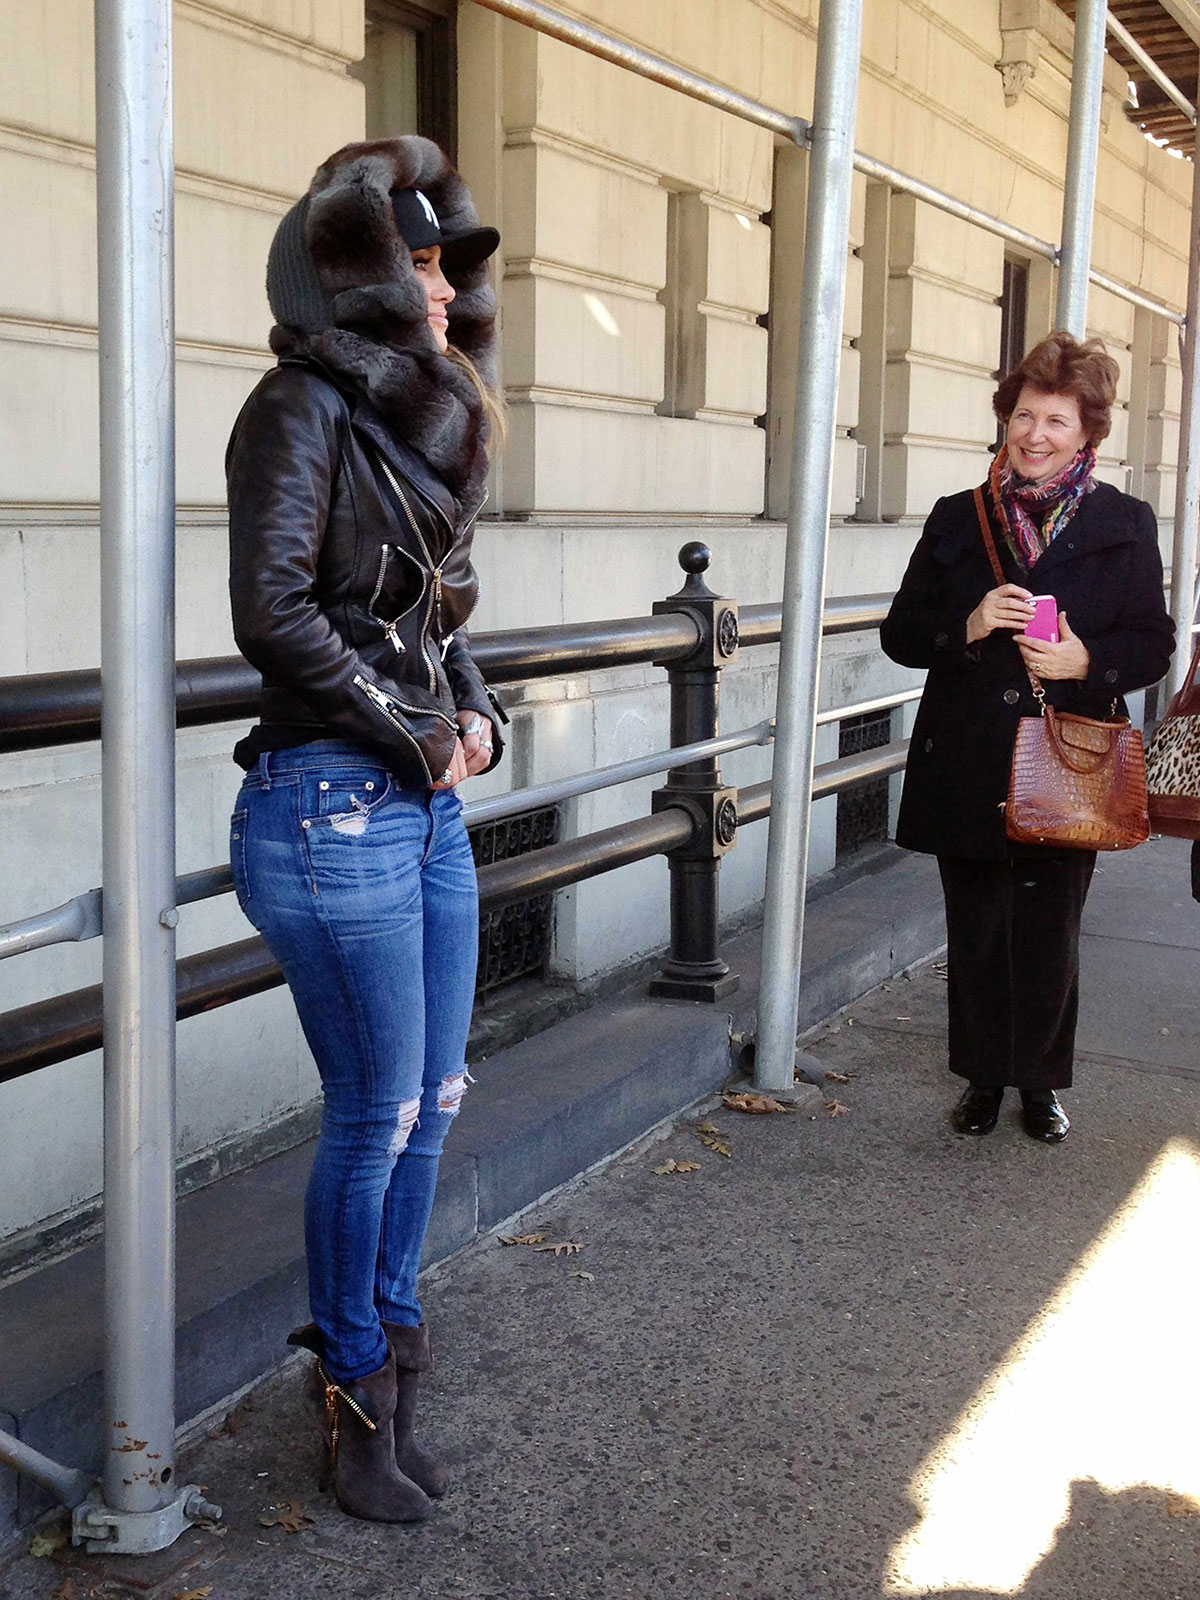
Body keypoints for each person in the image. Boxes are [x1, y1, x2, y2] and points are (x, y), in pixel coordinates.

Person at [225, 137, 505, 1523]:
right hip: (329, 803)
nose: (446, 293)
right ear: (368, 281)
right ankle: (348, 1397)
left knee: (434, 1101)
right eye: (423, 268)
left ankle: (393, 1349)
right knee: (377, 1110)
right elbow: (272, 615)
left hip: (417, 802)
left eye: (449, 269)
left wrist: (476, 716)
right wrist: (416, 734)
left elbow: (436, 615)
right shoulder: (297, 409)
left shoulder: (416, 422)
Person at [881, 332, 1174, 1144]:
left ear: (1087, 435)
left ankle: (1039, 1085)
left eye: (1056, 420)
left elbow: (1154, 643)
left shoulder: (1123, 522)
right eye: (1022, 416)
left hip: (1069, 758)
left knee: (1051, 935)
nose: (1035, 435)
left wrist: (1090, 660)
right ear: (1004, 421)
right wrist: (967, 626)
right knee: (975, 929)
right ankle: (980, 1079)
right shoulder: (957, 518)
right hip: (969, 755)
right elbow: (901, 634)